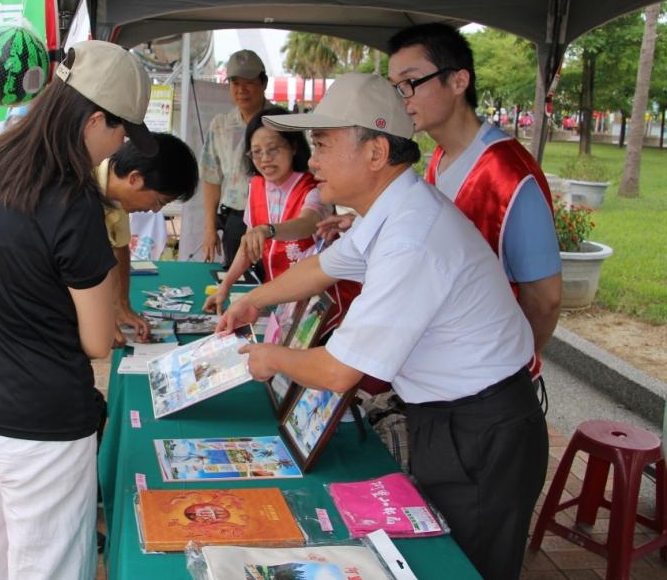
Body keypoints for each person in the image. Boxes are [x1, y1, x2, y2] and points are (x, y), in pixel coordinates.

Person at [220, 73, 548, 580]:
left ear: (375, 153)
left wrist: (269, 358)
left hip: (483, 428)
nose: (312, 161)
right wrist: (254, 302)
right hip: (452, 417)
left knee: (468, 566)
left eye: (323, 145)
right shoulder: (390, 208)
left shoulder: (412, 233)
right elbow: (325, 267)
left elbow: (338, 371)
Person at [0, 40, 157, 580]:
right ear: (95, 119)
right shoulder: (73, 201)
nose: (121, 144)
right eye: (122, 130)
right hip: (37, 428)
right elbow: (97, 341)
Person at [386, 23, 561, 380]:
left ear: (458, 81)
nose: (402, 97)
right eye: (395, 86)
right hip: (444, 373)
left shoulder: (509, 175)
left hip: (490, 385)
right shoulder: (440, 158)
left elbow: (545, 298)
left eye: (410, 82)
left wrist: (513, 368)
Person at [203, 105, 326, 314]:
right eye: (257, 152)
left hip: (311, 301)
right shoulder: (256, 187)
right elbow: (249, 247)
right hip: (276, 295)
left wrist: (267, 230)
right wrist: (224, 287)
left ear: (293, 146)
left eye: (273, 149)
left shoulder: (314, 188)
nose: (265, 158)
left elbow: (307, 224)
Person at [96, 132, 199, 345]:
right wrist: (96, 323)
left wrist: (121, 305)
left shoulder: (116, 192)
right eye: (159, 201)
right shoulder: (78, 192)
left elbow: (120, 245)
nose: (154, 211)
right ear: (134, 178)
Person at [200, 49, 269, 268]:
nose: (241, 90)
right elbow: (212, 179)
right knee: (235, 284)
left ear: (263, 83)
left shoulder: (281, 122)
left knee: (274, 283)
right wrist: (210, 229)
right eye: (235, 83)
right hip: (235, 220)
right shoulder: (220, 125)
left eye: (248, 82)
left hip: (274, 219)